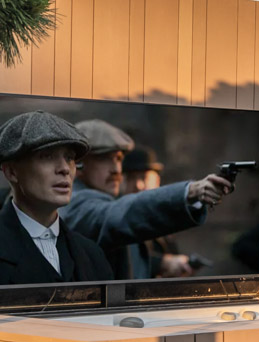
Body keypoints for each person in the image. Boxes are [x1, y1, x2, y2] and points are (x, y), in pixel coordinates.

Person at [63, 118, 236, 279]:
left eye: (118, 158)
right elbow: (119, 216)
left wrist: (160, 264)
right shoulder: (74, 203)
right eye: (104, 158)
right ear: (78, 163)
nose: (116, 169)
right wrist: (189, 192)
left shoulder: (101, 199)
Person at [0, 112, 116, 286]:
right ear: (11, 172)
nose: (65, 169)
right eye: (47, 156)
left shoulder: (93, 255)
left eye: (69, 158)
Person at [122, 146, 194, 278]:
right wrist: (162, 263)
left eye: (144, 177)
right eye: (131, 178)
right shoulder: (119, 220)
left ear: (157, 181)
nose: (138, 185)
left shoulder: (163, 219)